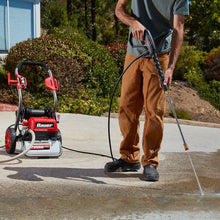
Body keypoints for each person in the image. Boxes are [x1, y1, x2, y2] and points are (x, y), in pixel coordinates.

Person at [104, 0, 189, 181]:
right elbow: (119, 9)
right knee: (127, 107)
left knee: (154, 111)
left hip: (159, 54)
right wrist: (133, 22)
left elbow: (178, 28)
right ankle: (129, 158)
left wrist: (170, 68)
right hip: (133, 53)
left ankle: (150, 161)